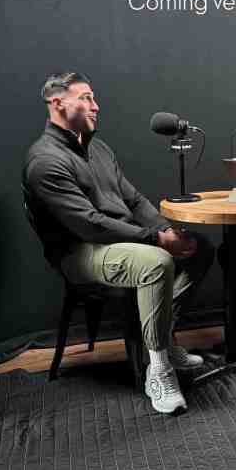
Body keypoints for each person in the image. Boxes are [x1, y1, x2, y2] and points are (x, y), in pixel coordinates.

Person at [23, 72, 214, 414]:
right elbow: (89, 225)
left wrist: (165, 231)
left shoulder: (98, 148)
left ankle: (163, 337)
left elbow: (134, 199)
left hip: (123, 239)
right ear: (57, 103)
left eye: (94, 98)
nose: (96, 106)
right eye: (86, 98)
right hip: (80, 252)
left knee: (198, 247)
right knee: (156, 263)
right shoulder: (45, 161)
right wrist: (156, 240)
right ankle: (158, 369)